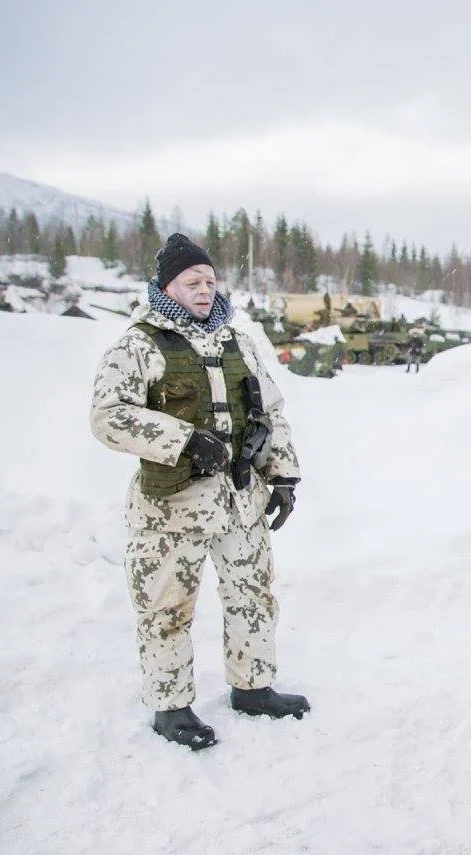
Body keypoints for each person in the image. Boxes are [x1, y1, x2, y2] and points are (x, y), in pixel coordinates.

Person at [90, 233, 310, 751]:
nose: (205, 289)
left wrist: (283, 476)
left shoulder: (238, 341)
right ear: (168, 287)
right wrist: (183, 439)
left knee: (252, 595)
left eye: (210, 280)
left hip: (240, 498)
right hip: (171, 506)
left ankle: (253, 687)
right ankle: (171, 706)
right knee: (166, 606)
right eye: (193, 281)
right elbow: (108, 417)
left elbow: (270, 412)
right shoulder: (139, 344)